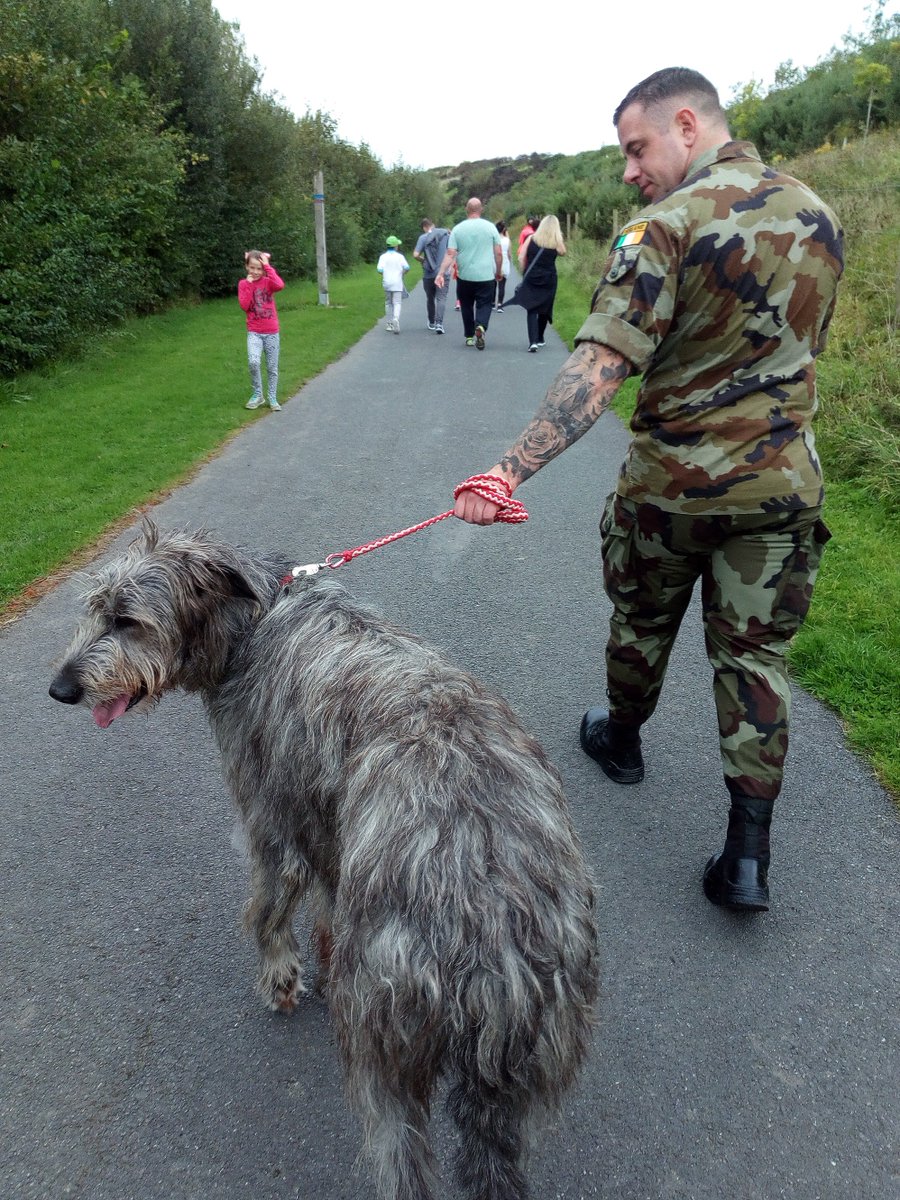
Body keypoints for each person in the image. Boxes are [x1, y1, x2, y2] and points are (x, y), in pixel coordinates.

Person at [454, 67, 844, 913]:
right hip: (781, 488)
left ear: (687, 125)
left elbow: (602, 363)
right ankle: (747, 859)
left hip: (674, 490)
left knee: (640, 619)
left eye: (637, 149)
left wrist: (507, 470)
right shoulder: (819, 214)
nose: (631, 171)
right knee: (754, 658)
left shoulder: (663, 225)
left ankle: (622, 741)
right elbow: (806, 345)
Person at [435, 198, 503, 349]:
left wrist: (441, 273)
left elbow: (450, 254)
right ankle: (481, 326)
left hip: (465, 276)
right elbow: (498, 253)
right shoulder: (490, 228)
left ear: (466, 209)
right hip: (486, 276)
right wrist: (498, 271)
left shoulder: (458, 229)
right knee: (484, 304)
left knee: (466, 306)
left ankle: (469, 337)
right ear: (481, 209)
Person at [509, 214, 566, 351]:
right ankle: (540, 337)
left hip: (532, 277)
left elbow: (521, 257)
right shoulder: (555, 242)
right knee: (545, 307)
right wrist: (558, 238)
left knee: (532, 308)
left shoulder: (531, 238)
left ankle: (533, 342)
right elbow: (563, 252)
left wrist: (524, 273)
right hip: (549, 278)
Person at [238, 250, 284, 411]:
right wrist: (249, 285)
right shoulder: (243, 284)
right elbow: (244, 306)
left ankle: (272, 397)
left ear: (263, 268)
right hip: (254, 332)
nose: (256, 271)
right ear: (246, 267)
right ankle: (258, 394)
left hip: (271, 332)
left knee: (272, 367)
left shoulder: (268, 282)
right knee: (253, 362)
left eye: (259, 268)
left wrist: (268, 266)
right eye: (252, 267)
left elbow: (280, 285)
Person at [413, 218, 451, 334]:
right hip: (443, 272)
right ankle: (439, 324)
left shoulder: (423, 237)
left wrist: (424, 260)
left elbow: (415, 254)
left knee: (430, 298)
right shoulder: (445, 235)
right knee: (441, 298)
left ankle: (431, 322)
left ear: (424, 227)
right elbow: (451, 252)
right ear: (433, 225)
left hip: (429, 273)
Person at [377, 235, 410, 334]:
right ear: (396, 246)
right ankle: (396, 318)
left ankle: (389, 324)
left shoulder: (383, 257)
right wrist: (402, 273)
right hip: (397, 282)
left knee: (388, 303)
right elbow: (407, 267)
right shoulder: (400, 257)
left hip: (387, 282)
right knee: (397, 302)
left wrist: (385, 274)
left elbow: (379, 270)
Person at [494, 220, 511, 311]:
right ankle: (500, 304)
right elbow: (509, 254)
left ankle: (492, 303)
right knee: (502, 285)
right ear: (504, 229)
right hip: (504, 262)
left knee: (492, 284)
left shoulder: (493, 239)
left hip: (494, 261)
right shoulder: (507, 240)